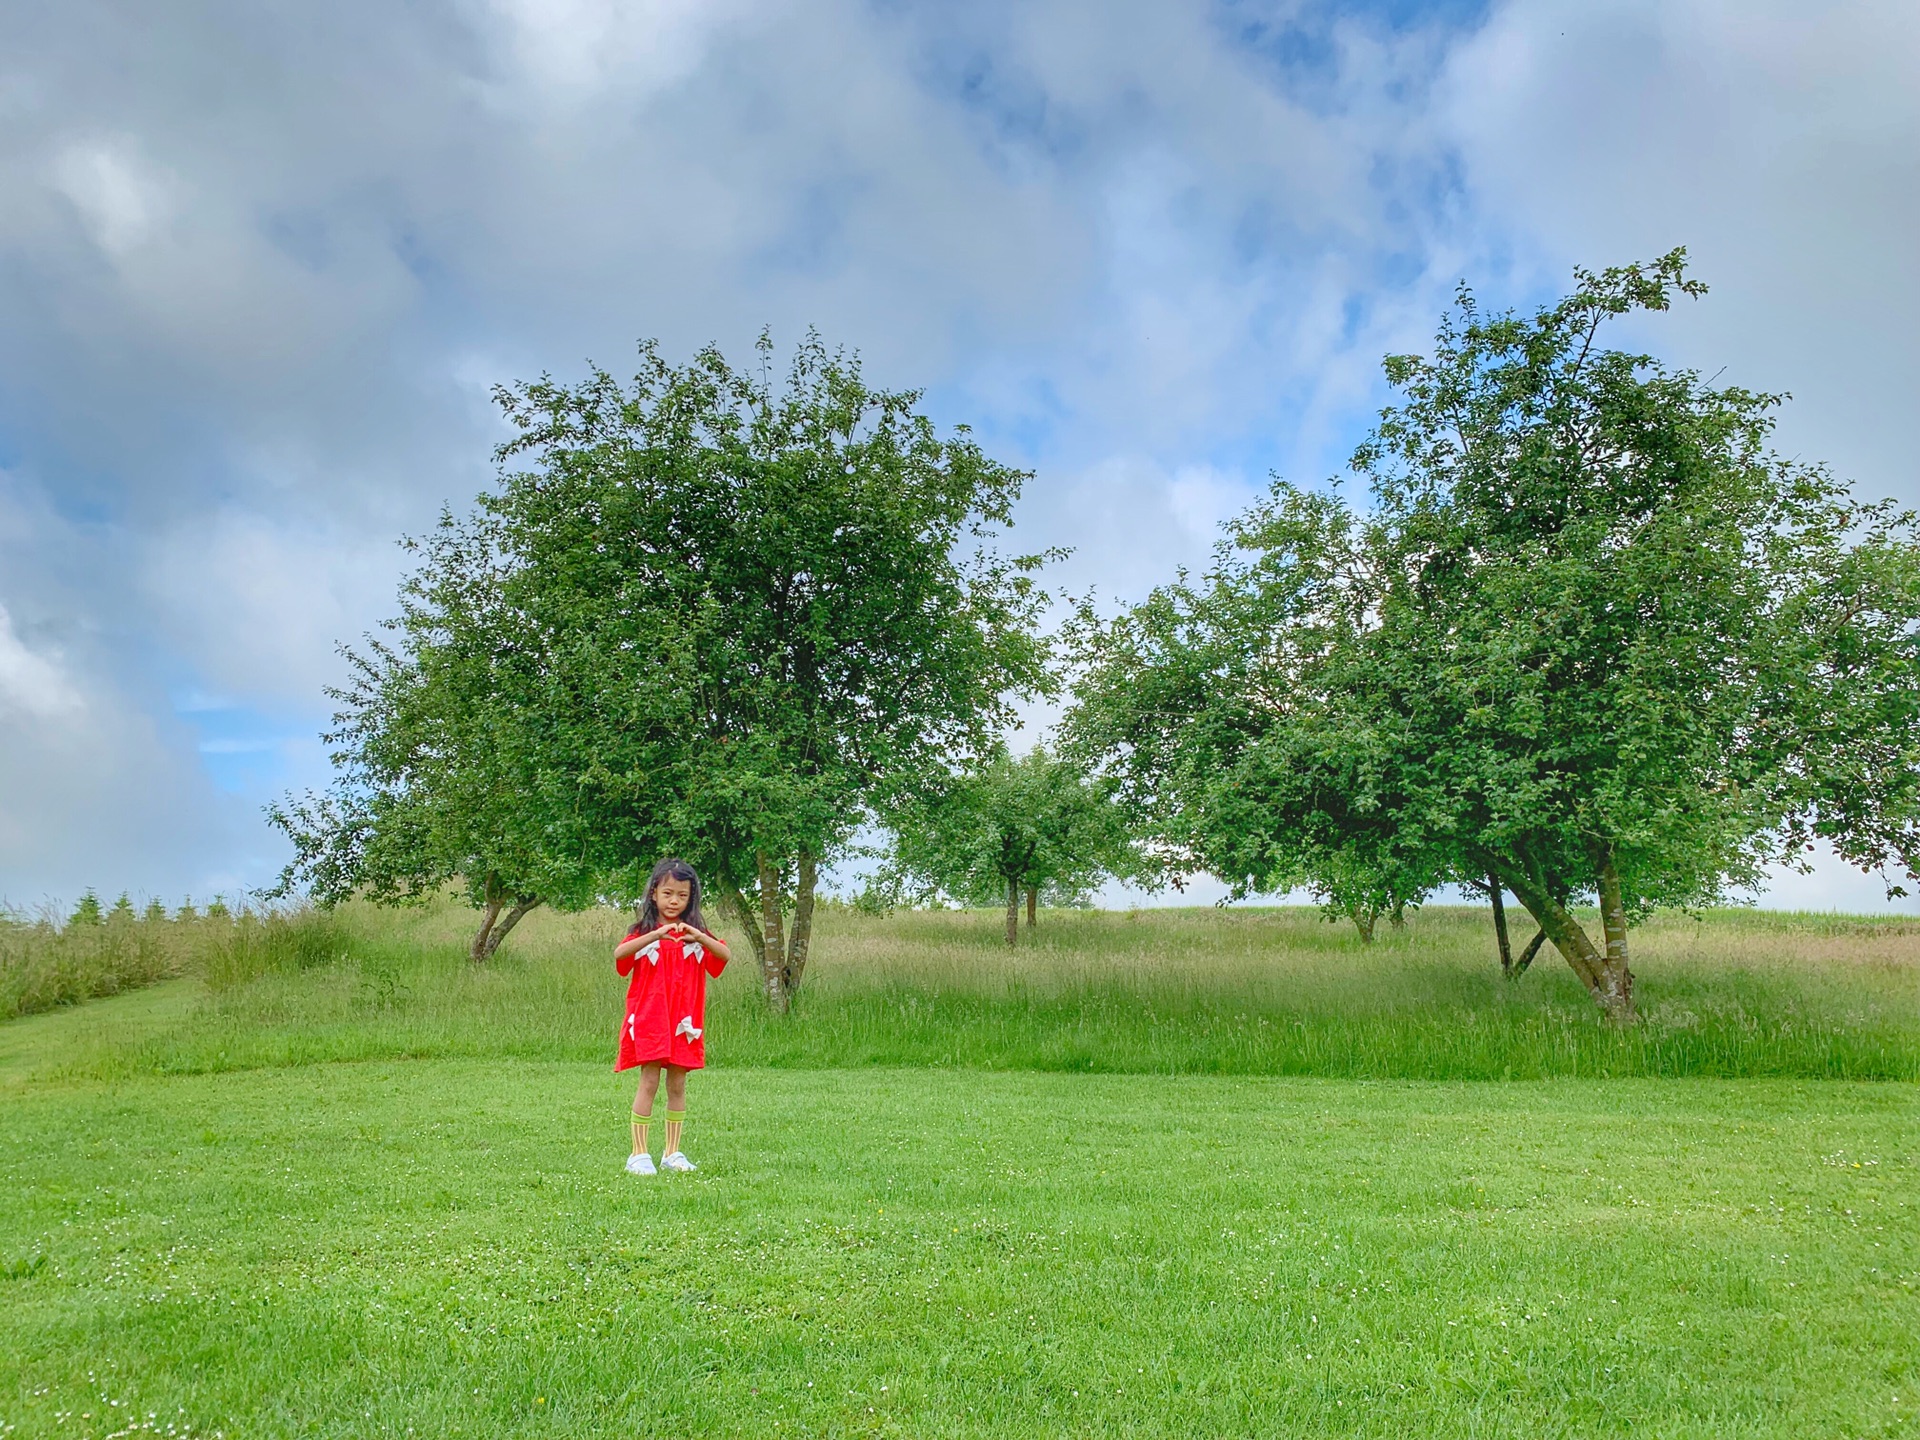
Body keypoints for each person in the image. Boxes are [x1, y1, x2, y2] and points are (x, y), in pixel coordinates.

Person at [614, 858, 730, 1175]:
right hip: (651, 1019)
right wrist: (656, 935)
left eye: (682, 895)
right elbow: (620, 956)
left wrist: (701, 937)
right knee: (649, 1080)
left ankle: (672, 1152)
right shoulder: (643, 933)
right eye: (667, 893)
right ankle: (638, 1154)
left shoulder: (696, 937)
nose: (674, 901)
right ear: (654, 894)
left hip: (684, 1023)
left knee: (677, 1085)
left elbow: (724, 956)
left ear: (691, 897)